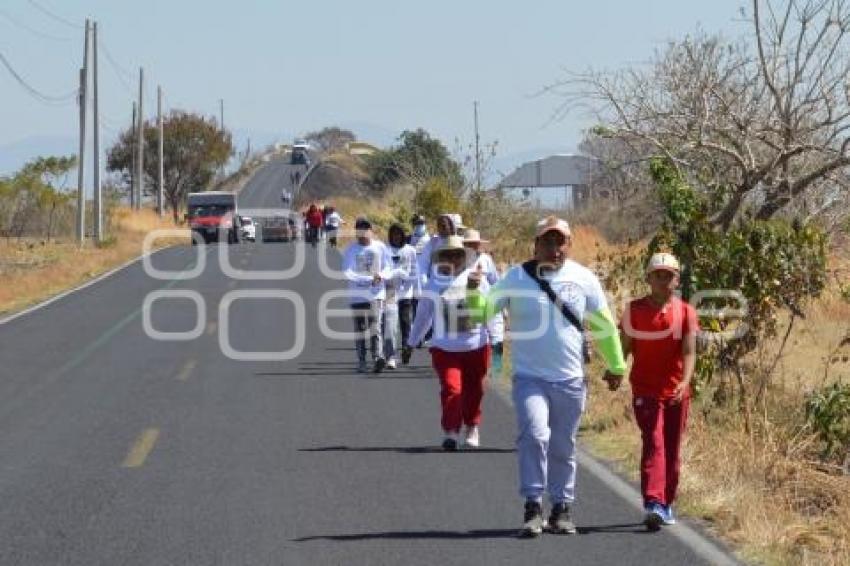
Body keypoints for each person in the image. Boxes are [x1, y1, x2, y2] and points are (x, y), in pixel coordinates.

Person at [467, 215, 627, 537]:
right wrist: (473, 292)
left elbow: (603, 325)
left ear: (569, 244)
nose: (555, 249)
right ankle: (532, 506)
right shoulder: (516, 278)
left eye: (560, 242)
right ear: (536, 245)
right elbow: (483, 313)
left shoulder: (583, 278)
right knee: (535, 436)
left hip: (569, 379)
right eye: (548, 242)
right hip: (529, 378)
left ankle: (562, 508)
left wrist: (617, 365)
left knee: (563, 444)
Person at [608, 252, 698, 531]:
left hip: (676, 390)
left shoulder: (685, 311)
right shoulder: (634, 309)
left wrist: (685, 382)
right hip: (645, 389)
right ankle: (653, 502)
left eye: (668, 275)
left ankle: (667, 501)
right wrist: (616, 370)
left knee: (672, 448)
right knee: (654, 441)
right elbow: (624, 346)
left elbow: (690, 351)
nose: (663, 280)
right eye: (657, 275)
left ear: (677, 279)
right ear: (648, 278)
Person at [408, 235, 491, 451]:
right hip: (445, 348)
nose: (453, 259)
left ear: (464, 257)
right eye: (448, 255)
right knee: (452, 388)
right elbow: (423, 314)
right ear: (440, 258)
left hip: (476, 345)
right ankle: (451, 431)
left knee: (474, 390)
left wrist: (497, 337)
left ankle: (472, 426)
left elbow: (491, 311)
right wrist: (412, 340)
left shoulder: (476, 280)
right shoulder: (434, 284)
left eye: (457, 255)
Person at [342, 217, 392, 373]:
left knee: (375, 326)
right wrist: (370, 278)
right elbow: (347, 272)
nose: (363, 233)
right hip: (357, 295)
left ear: (371, 231)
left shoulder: (380, 247)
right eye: (360, 230)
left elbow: (389, 268)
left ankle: (377, 357)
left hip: (376, 295)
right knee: (360, 329)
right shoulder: (351, 249)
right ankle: (361, 361)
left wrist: (381, 276)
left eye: (366, 230)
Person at [463, 229, 505, 375]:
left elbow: (495, 281)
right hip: (471, 304)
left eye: (474, 244)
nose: (472, 247)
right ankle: (475, 366)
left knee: (497, 334)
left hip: (490, 302)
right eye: (468, 244)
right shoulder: (461, 261)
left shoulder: (486, 259)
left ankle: (497, 367)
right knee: (476, 337)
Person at [385, 223, 419, 367]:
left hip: (406, 292)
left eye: (399, 234)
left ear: (403, 235)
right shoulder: (386, 250)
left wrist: (413, 289)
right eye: (394, 234)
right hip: (391, 292)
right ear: (390, 235)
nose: (396, 236)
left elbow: (414, 271)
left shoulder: (410, 250)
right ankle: (390, 355)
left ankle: (406, 348)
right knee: (391, 325)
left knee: (406, 323)